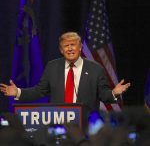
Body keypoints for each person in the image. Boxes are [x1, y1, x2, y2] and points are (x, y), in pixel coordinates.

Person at [0, 32, 130, 124]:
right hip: (59, 123)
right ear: (61, 50)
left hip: (86, 124)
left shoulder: (95, 69)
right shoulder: (52, 66)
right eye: (66, 46)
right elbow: (39, 91)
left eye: (73, 45)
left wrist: (114, 93)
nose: (70, 48)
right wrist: (18, 92)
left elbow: (103, 94)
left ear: (80, 48)